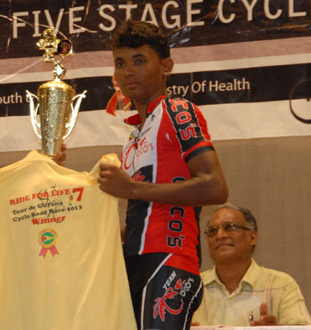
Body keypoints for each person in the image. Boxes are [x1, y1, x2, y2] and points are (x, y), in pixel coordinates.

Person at [97, 20, 229, 330]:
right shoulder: (131, 138)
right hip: (133, 265)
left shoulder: (177, 110)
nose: (128, 71)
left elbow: (215, 187)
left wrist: (132, 189)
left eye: (139, 61)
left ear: (166, 65)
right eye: (120, 63)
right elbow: (140, 214)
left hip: (170, 260)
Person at [191, 203, 311, 326]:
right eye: (212, 231)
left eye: (230, 227)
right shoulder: (191, 287)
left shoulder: (281, 285)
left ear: (253, 237)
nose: (220, 235)